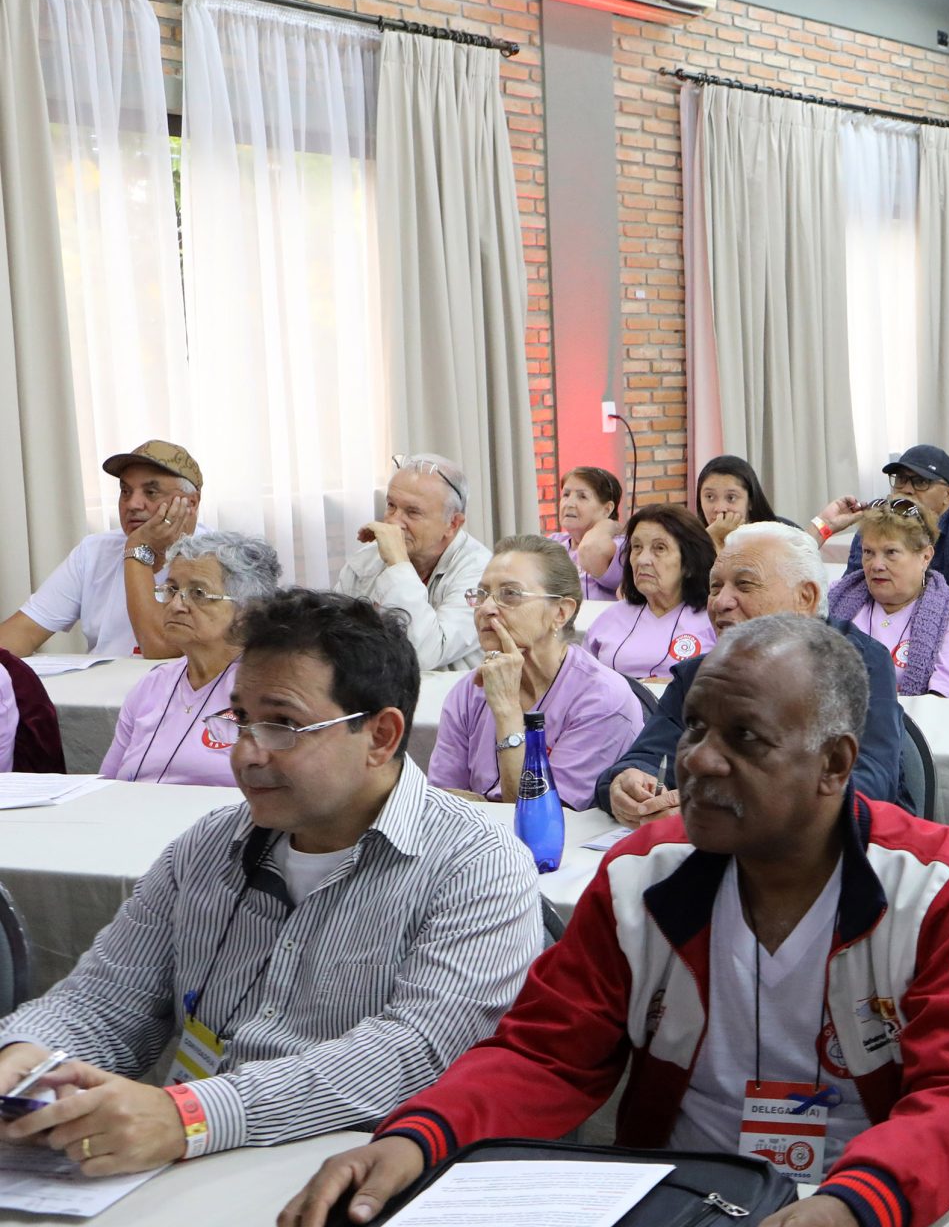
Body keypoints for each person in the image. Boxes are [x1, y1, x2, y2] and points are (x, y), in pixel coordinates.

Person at [279, 615, 949, 1227]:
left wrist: (853, 1209)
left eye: (746, 738)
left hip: (884, 1218)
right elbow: (544, 1056)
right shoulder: (643, 871)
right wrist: (415, 1138)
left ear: (835, 764)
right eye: (697, 725)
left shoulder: (945, 886)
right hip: (679, 1224)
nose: (700, 758)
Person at [0, 592, 543, 1176]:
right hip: (187, 1157)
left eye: (283, 725)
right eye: (240, 719)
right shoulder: (209, 847)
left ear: (382, 736)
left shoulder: (477, 863)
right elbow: (103, 1002)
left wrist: (191, 1116)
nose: (246, 753)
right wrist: (26, 1060)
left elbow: (414, 1055)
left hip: (356, 1176)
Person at [599, 523, 902, 826]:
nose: (720, 602)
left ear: (805, 598)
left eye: (744, 586)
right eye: (715, 587)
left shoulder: (858, 663)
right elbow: (645, 756)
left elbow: (871, 785)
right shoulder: (699, 674)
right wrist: (627, 783)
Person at [429, 536, 647, 811]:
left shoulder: (601, 699)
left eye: (510, 594)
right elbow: (439, 805)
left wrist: (507, 710)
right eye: (481, 594)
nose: (486, 608)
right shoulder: (467, 691)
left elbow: (538, 818)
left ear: (560, 612)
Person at [98, 531, 282, 788]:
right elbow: (107, 783)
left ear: (247, 611)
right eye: (171, 589)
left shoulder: (267, 689)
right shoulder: (151, 686)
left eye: (198, 593)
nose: (175, 605)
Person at [0, 439, 201, 662]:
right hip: (96, 694)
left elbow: (159, 647)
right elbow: (24, 631)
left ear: (191, 503)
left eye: (151, 492)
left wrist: (137, 550)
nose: (132, 504)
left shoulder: (217, 558)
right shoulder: (94, 551)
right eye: (125, 491)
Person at [333, 453, 492, 674]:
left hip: (448, 701)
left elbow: (423, 654)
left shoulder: (482, 572)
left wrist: (398, 564)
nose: (393, 522)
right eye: (391, 505)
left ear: (453, 524)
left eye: (412, 512)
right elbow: (336, 642)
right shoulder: (367, 560)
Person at [815, 444, 949, 627]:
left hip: (941, 631)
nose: (906, 489)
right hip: (876, 629)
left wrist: (912, 613)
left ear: (948, 495)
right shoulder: (877, 523)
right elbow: (851, 588)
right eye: (900, 480)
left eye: (921, 482)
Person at [825, 498, 949, 698]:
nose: (876, 565)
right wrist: (822, 527)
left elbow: (943, 706)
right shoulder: (835, 598)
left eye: (891, 553)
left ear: (925, 557)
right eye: (868, 552)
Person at [584, 503, 718, 680]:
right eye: (637, 547)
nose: (643, 560)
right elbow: (582, 680)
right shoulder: (611, 618)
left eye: (659, 548)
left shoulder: (712, 620)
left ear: (689, 564)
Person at [549, 465, 624, 601]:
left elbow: (591, 550)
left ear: (607, 509)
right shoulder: (555, 542)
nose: (569, 504)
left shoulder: (620, 546)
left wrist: (608, 525)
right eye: (566, 495)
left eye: (582, 496)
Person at [695, 454, 782, 546]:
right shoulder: (688, 541)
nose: (720, 509)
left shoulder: (778, 539)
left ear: (750, 501)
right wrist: (708, 541)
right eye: (710, 497)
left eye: (731, 498)